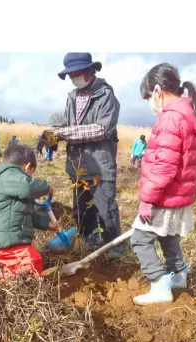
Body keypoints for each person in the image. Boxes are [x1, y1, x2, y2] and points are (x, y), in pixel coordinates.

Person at [130, 63, 196, 305]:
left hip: (165, 194)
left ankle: (159, 285)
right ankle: (178, 275)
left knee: (140, 238)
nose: (150, 103)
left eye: (148, 98)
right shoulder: (191, 114)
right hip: (180, 194)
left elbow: (164, 167)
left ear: (157, 92)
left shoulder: (171, 119)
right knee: (168, 235)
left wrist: (147, 199)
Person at [48, 52, 125, 259]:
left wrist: (64, 133)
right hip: (78, 166)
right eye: (70, 74)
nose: (73, 77)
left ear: (90, 70)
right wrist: (53, 132)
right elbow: (66, 123)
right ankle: (88, 244)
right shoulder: (72, 97)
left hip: (100, 165)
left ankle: (114, 252)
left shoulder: (105, 95)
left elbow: (102, 129)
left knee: (106, 210)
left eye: (76, 73)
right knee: (82, 211)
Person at [0, 143, 59, 281]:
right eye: (31, 174)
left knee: (18, 266)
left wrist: (48, 224)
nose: (29, 177)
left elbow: (28, 214)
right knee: (31, 261)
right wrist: (46, 187)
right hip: (6, 238)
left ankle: (3, 280)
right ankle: (15, 287)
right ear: (27, 166)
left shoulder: (12, 188)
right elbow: (28, 187)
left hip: (7, 239)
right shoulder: (9, 175)